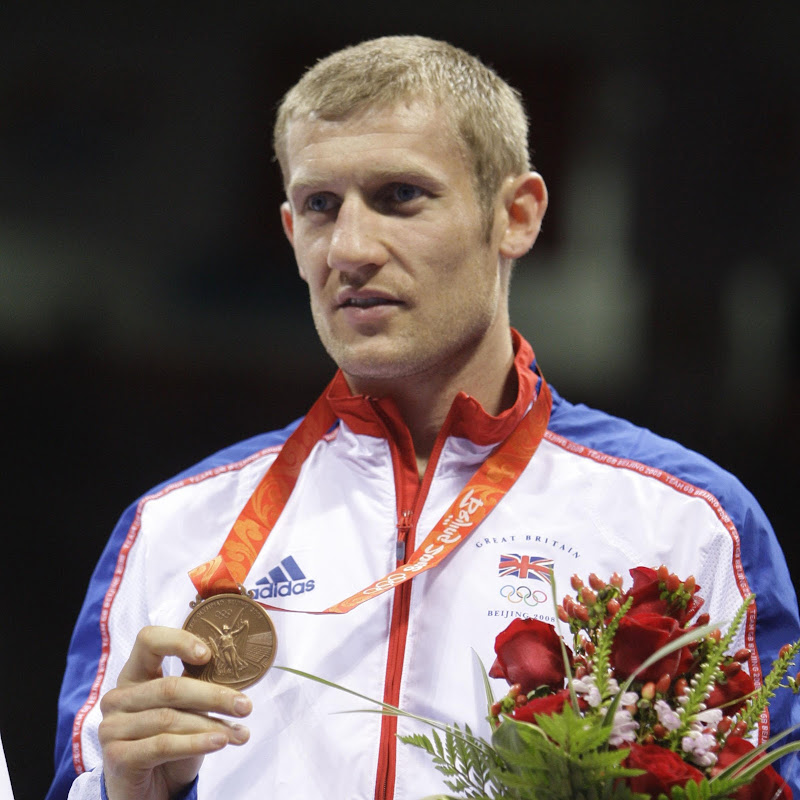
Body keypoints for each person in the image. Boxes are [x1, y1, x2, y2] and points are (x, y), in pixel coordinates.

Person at [48, 36, 799, 800]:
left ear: (516, 216)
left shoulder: (684, 522)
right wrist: (127, 792)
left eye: (400, 196)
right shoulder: (174, 528)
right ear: (291, 234)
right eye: (319, 206)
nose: (350, 248)